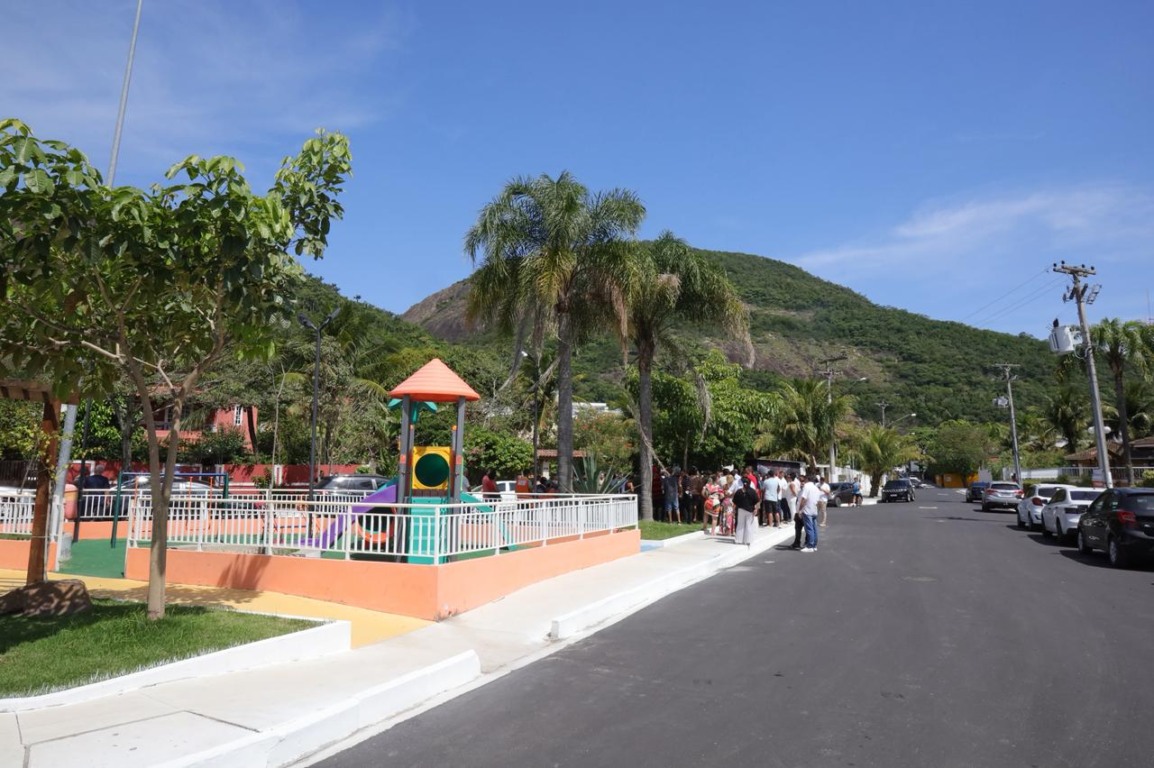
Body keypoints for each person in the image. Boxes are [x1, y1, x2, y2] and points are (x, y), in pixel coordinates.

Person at [797, 474, 822, 552]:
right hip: (814, 510)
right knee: (814, 529)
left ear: (807, 479)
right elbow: (819, 501)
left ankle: (810, 546)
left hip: (807, 510)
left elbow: (804, 499)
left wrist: (800, 510)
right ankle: (814, 545)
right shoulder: (816, 488)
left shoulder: (806, 486)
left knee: (809, 529)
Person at [731, 476, 759, 546]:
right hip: (750, 510)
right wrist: (756, 509)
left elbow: (734, 502)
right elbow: (756, 501)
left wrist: (733, 510)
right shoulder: (752, 491)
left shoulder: (739, 491)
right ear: (750, 483)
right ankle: (748, 540)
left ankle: (739, 540)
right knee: (748, 525)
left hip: (740, 510)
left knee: (740, 525)